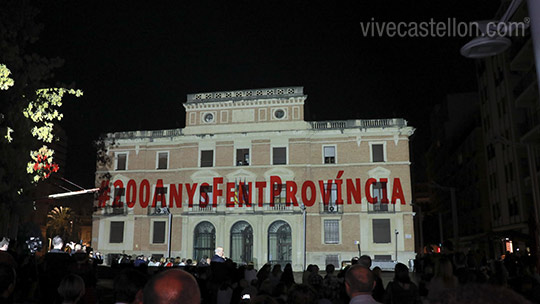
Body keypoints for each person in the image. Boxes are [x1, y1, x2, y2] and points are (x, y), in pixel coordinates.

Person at [42, 236, 74, 304]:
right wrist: (73, 250)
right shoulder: (65, 256)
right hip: (62, 280)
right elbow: (73, 263)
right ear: (61, 244)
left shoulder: (47, 255)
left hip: (49, 280)